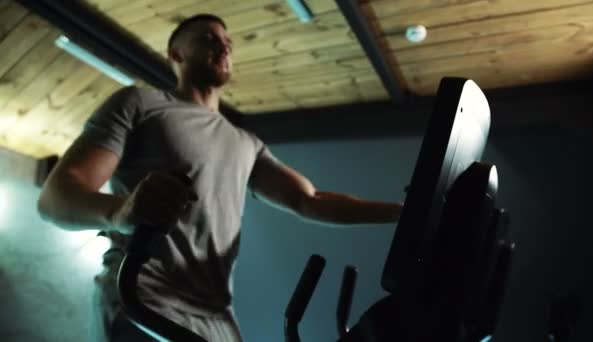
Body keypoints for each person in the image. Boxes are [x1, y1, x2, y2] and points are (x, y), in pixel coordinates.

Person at [37, 13, 403, 342]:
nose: (223, 46)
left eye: (228, 42)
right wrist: (121, 212)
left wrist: (405, 211)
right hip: (145, 299)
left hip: (216, 316)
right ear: (176, 54)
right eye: (209, 38)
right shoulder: (141, 104)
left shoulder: (247, 143)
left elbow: (311, 200)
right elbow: (56, 197)